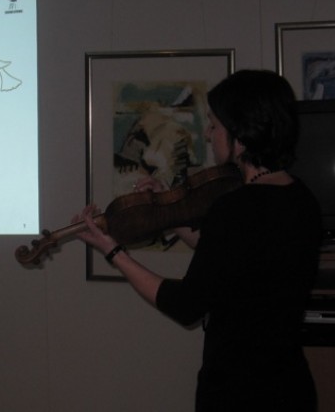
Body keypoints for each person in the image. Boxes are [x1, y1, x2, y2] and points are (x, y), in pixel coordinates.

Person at [74, 70, 322, 412]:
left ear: (241, 135)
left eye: (214, 125)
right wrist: (169, 211)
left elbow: (186, 305)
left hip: (238, 390)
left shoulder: (235, 207)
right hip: (290, 384)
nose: (207, 133)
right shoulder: (301, 197)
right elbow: (229, 256)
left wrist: (112, 250)